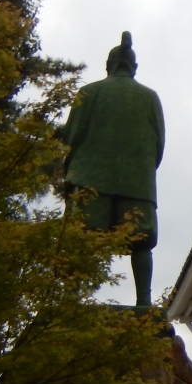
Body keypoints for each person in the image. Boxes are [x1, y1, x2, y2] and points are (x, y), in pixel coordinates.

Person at [61, 32, 165, 307]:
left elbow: (71, 136)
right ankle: (144, 301)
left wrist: (69, 171)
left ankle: (71, 297)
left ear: (109, 64)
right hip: (138, 182)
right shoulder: (150, 97)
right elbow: (159, 145)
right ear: (134, 67)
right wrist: (140, 170)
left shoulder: (89, 93)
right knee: (140, 240)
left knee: (82, 236)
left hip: (89, 179)